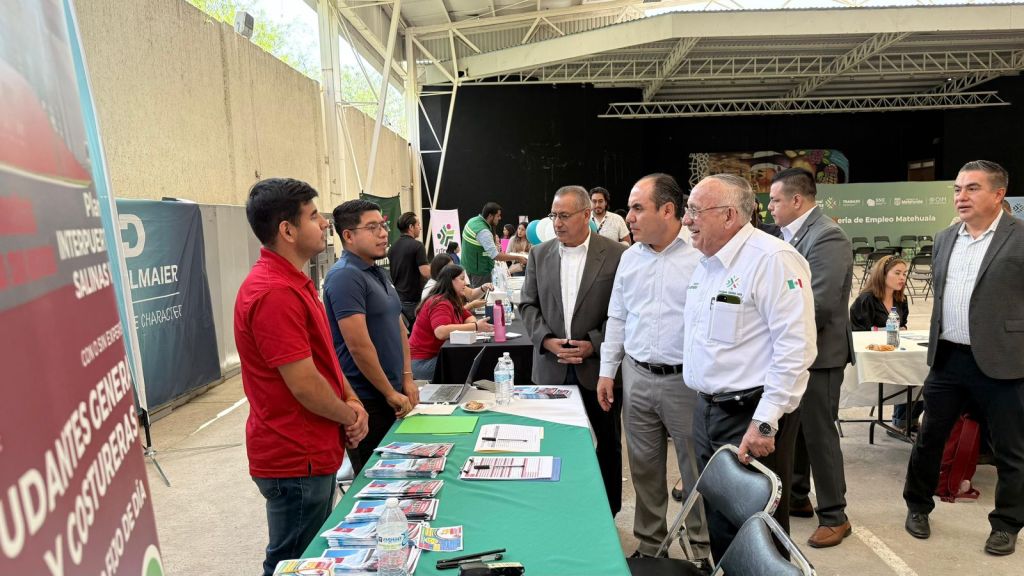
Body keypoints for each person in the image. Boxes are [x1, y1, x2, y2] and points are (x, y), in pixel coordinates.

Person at [234, 178, 368, 576]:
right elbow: (305, 384)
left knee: (308, 556)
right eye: (313, 216)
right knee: (293, 562)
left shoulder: (296, 282)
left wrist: (353, 402)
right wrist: (350, 416)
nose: (324, 223)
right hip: (295, 456)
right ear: (287, 230)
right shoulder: (273, 292)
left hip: (312, 449)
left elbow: (324, 358)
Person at [682, 174, 816, 561]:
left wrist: (766, 421)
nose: (688, 220)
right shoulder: (706, 263)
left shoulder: (772, 260)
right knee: (721, 519)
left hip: (749, 416)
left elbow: (796, 349)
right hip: (708, 410)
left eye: (695, 211)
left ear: (728, 216)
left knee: (759, 530)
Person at [904, 160, 1024, 557]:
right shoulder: (943, 238)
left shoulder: (1020, 237)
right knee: (929, 438)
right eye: (957, 189)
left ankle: (1006, 524)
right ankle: (918, 506)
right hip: (948, 358)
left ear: (998, 194)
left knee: (1011, 449)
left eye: (972, 188)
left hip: (1004, 361)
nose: (961, 197)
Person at [595, 173, 705, 558]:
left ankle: (701, 549)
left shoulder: (701, 257)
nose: (630, 217)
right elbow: (618, 317)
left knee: (695, 470)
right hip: (637, 377)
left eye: (638, 208)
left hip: (686, 383)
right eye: (629, 209)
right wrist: (608, 370)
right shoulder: (630, 259)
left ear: (668, 210)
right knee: (643, 467)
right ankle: (650, 544)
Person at [520, 185, 627, 516]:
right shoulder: (539, 254)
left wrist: (593, 343)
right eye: (554, 215)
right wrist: (547, 341)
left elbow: (624, 313)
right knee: (553, 445)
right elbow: (527, 305)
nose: (557, 223)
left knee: (606, 446)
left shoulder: (616, 254)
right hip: (551, 367)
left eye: (564, 216)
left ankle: (606, 514)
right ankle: (558, 511)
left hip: (597, 371)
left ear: (586, 215)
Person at [768, 168, 855, 548]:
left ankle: (836, 514)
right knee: (796, 430)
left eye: (774, 200)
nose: (768, 207)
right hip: (797, 351)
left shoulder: (827, 237)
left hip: (819, 356)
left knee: (819, 435)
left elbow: (817, 304)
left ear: (796, 201)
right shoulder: (786, 236)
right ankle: (799, 495)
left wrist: (770, 331)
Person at [323, 199, 419, 474]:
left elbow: (398, 324)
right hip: (369, 401)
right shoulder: (345, 277)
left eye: (383, 226)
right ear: (348, 236)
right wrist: (389, 392)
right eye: (372, 227)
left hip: (394, 394)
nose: (383, 233)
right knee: (380, 482)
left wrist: (407, 378)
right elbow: (358, 346)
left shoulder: (377, 271)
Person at [849, 255, 917, 433]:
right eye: (897, 273)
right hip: (872, 358)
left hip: (895, 353)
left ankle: (906, 419)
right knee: (911, 373)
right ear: (883, 274)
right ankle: (901, 420)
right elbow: (858, 335)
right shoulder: (865, 300)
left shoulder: (901, 300)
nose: (903, 278)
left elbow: (903, 326)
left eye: (905, 273)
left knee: (923, 372)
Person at [409, 264, 494, 381]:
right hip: (422, 363)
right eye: (462, 279)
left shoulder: (451, 300)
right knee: (468, 366)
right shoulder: (440, 302)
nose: (465, 283)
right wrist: (475, 327)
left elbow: (469, 317)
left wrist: (472, 325)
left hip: (434, 357)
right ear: (450, 281)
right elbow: (440, 332)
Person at [462, 202, 527, 287]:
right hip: (480, 271)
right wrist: (518, 257)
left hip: (469, 265)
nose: (500, 218)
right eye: (498, 215)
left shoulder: (473, 221)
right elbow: (496, 255)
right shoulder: (484, 232)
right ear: (490, 216)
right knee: (482, 297)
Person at [387, 211, 429, 327]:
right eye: (418, 224)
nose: (420, 227)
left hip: (398, 300)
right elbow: (425, 272)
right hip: (414, 301)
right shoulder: (417, 246)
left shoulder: (392, 248)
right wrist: (442, 273)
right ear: (411, 227)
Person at [421, 253, 491, 309]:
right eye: (462, 279)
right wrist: (471, 305)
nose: (465, 283)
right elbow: (450, 316)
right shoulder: (434, 290)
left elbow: (471, 294)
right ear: (441, 270)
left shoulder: (449, 283)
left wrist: (483, 288)